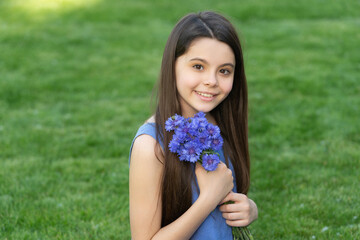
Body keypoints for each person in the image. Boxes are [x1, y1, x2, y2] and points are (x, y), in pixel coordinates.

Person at [129, 11, 258, 239]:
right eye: (198, 66)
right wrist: (209, 198)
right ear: (173, 65)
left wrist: (248, 209)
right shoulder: (151, 146)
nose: (212, 81)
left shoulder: (218, 124)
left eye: (224, 71)